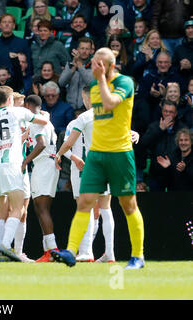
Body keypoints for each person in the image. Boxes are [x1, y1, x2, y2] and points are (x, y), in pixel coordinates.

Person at [51, 47, 145, 270]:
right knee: (84, 202)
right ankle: (72, 252)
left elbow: (111, 103)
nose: (93, 67)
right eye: (93, 63)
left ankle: (138, 256)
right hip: (96, 155)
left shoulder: (125, 83)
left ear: (110, 66)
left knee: (127, 204)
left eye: (97, 64)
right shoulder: (93, 86)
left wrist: (102, 79)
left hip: (120, 153)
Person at [55, 86, 118, 263]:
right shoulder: (112, 114)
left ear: (86, 98)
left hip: (91, 167)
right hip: (110, 165)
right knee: (106, 208)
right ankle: (109, 253)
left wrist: (59, 155)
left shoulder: (83, 118)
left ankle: (86, 251)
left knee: (85, 207)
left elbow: (68, 143)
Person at [0, 86, 49, 262]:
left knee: (1, 210)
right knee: (18, 208)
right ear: (9, 100)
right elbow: (42, 121)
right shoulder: (17, 112)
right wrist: (46, 116)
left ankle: (0, 252)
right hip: (11, 165)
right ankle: (5, 246)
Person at [20, 94, 60, 262]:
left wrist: (25, 161)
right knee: (41, 208)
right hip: (49, 163)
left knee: (41, 208)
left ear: (28, 105)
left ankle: (52, 250)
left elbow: (41, 143)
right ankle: (48, 250)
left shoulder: (37, 121)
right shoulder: (45, 120)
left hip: (43, 163)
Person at [138, 100, 188, 191]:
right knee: (156, 202)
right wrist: (160, 129)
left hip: (175, 173)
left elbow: (186, 150)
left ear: (176, 113)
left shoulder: (182, 128)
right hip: (156, 173)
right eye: (165, 111)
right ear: (162, 112)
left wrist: (172, 163)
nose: (168, 114)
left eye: (171, 112)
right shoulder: (154, 126)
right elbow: (143, 144)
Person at [58, 37, 94, 110]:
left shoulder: (94, 64)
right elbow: (61, 82)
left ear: (91, 51)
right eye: (82, 48)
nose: (84, 51)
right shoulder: (70, 64)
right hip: (70, 107)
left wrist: (80, 66)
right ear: (77, 49)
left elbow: (90, 82)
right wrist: (73, 68)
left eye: (87, 49)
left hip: (87, 107)